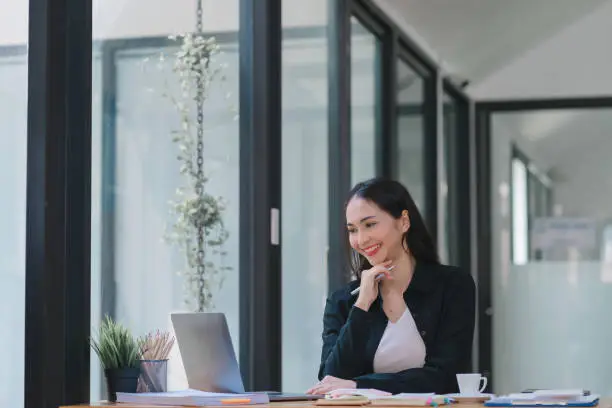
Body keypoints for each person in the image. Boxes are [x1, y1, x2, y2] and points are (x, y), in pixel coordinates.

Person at [306, 177, 476, 395]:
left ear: (403, 221)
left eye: (370, 225)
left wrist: (360, 385)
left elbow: (447, 375)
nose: (361, 239)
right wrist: (362, 305)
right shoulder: (345, 300)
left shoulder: (453, 285)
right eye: (352, 230)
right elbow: (331, 379)